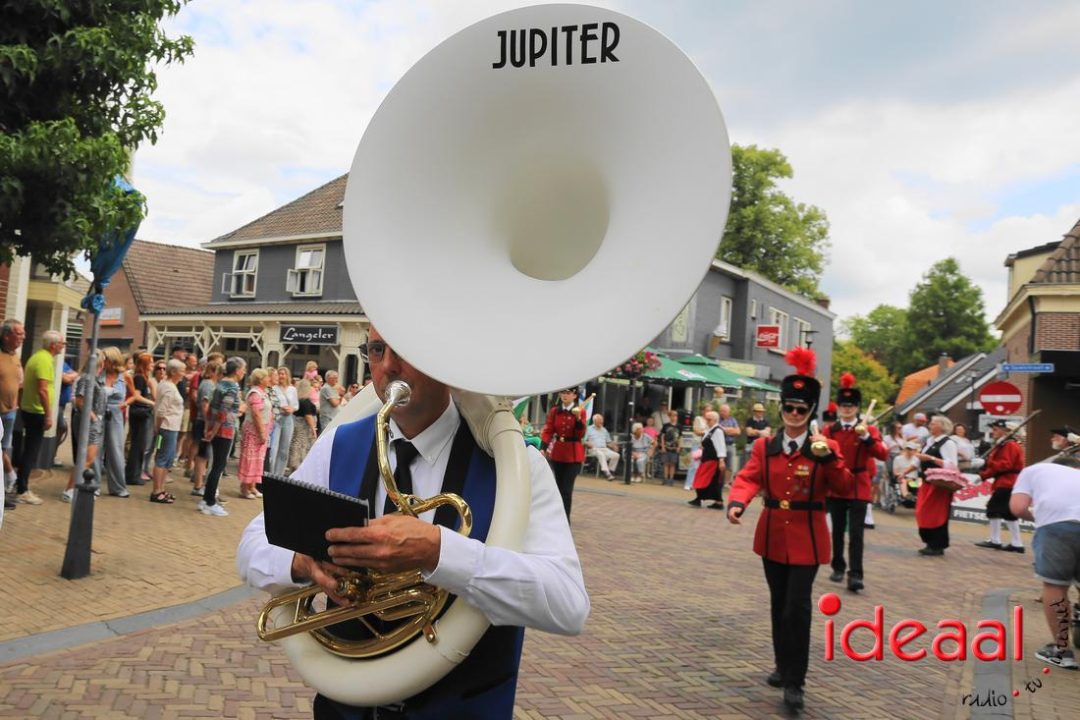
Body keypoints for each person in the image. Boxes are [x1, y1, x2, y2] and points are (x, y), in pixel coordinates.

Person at [237, 328, 589, 719]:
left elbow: (568, 603)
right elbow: (253, 543)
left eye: (405, 348)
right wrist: (302, 563)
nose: (388, 366)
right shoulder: (339, 446)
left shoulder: (515, 467)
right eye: (377, 349)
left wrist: (440, 552)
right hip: (344, 708)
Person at [727, 347, 853, 712]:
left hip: (807, 540)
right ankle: (782, 665)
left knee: (796, 608)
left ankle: (796, 681)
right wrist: (737, 502)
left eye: (801, 408)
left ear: (811, 411)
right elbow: (748, 478)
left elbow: (844, 487)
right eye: (789, 407)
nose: (794, 414)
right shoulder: (765, 446)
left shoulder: (825, 447)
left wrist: (829, 460)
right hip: (772, 537)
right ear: (781, 408)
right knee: (779, 604)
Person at [1009, 433, 1080, 669]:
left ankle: (1062, 650)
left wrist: (1038, 518)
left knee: (1055, 586)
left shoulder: (1035, 470)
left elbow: (1017, 508)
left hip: (1057, 526)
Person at [823, 373, 887, 593]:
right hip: (838, 483)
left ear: (857, 408)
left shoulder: (868, 429)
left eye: (850, 406)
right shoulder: (831, 430)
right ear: (838, 408)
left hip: (859, 483)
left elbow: (882, 454)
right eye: (843, 405)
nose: (847, 409)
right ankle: (838, 566)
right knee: (837, 530)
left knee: (857, 533)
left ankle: (856, 575)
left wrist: (866, 438)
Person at [15, 330, 66, 504]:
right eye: (62, 343)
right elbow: (43, 389)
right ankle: (22, 490)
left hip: (30, 409)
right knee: (31, 451)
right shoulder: (44, 360)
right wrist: (49, 415)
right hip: (37, 412)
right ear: (53, 345)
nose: (63, 346)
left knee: (28, 450)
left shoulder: (37, 357)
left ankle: (20, 485)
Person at [201, 356, 247, 517]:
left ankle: (206, 499)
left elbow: (212, 409)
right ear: (237, 370)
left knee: (215, 466)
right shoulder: (232, 387)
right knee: (218, 466)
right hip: (224, 430)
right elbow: (223, 412)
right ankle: (210, 503)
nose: (244, 372)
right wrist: (213, 431)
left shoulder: (220, 383)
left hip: (216, 428)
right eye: (243, 369)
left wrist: (209, 428)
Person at [974, 419, 1025, 552]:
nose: (993, 432)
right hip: (1006, 481)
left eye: (996, 429)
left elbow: (1005, 465)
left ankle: (995, 540)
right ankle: (1017, 543)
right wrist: (983, 475)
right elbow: (998, 467)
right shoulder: (1004, 445)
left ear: (1005, 431)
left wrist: (986, 463)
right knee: (1008, 512)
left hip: (1007, 482)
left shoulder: (1010, 445)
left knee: (993, 509)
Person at [914, 415, 960, 556]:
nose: (930, 426)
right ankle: (929, 542)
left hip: (939, 485)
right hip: (927, 482)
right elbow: (918, 461)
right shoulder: (929, 441)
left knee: (937, 514)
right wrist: (905, 472)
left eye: (933, 424)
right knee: (923, 512)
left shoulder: (948, 443)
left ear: (942, 426)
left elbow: (952, 465)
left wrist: (931, 458)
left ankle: (937, 545)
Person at [64, 350, 106, 502]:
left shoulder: (94, 379)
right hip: (88, 422)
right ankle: (70, 489)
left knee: (88, 458)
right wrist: (94, 418)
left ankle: (76, 488)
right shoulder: (88, 378)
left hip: (92, 422)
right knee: (86, 458)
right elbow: (80, 401)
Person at [540, 387, 586, 518]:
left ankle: (565, 520)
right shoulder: (555, 411)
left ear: (574, 396)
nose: (565, 395)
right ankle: (557, 518)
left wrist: (578, 419)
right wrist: (543, 447)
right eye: (563, 393)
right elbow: (548, 430)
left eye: (568, 393)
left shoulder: (580, 411)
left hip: (573, 455)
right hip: (558, 453)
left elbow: (581, 434)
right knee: (558, 489)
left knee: (566, 490)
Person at [149, 359, 186, 504]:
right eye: (182, 371)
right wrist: (158, 428)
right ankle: (156, 491)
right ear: (174, 372)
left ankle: (161, 489)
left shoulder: (167, 385)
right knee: (162, 459)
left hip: (170, 427)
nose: (184, 374)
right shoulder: (169, 388)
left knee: (167, 459)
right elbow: (161, 411)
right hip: (167, 428)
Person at [0, 319, 26, 510]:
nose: (23, 337)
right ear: (6, 335)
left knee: (4, 449)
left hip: (10, 412)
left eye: (23, 333)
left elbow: (19, 382)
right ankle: (10, 476)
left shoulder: (15, 355)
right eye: (19, 333)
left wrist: (16, 403)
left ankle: (3, 492)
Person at [98, 347, 130, 497]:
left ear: (113, 360)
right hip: (99, 413)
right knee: (96, 449)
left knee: (116, 450)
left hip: (115, 415)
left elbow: (134, 394)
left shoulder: (124, 376)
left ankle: (118, 487)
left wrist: (125, 403)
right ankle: (92, 485)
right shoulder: (99, 374)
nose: (103, 362)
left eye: (106, 360)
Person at [238, 368, 272, 499]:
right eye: (267, 377)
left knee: (258, 459)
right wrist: (261, 432)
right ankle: (244, 487)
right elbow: (256, 414)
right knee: (249, 458)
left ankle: (252, 486)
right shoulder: (255, 393)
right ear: (261, 380)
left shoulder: (263, 392)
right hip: (254, 430)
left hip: (263, 428)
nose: (269, 379)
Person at [124, 352, 156, 487]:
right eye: (151, 362)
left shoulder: (144, 378)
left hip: (140, 413)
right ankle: (133, 475)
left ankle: (134, 474)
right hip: (139, 414)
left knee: (139, 445)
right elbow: (136, 396)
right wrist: (152, 403)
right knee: (138, 445)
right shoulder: (139, 378)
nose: (153, 365)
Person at [190, 360, 222, 497]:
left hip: (202, 421)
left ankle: (198, 483)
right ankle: (198, 485)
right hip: (203, 422)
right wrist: (208, 424)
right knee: (203, 455)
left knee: (203, 454)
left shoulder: (206, 383)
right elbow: (205, 405)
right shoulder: (209, 385)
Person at [688, 410, 725, 509]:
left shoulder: (717, 431)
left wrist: (721, 460)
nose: (707, 421)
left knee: (709, 480)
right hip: (706, 460)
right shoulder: (709, 430)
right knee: (708, 481)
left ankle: (715, 501)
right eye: (706, 419)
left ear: (715, 420)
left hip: (712, 461)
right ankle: (703, 499)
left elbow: (721, 446)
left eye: (709, 420)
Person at [270, 367, 298, 476]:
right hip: (277, 418)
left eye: (283, 374)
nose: (281, 376)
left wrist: (291, 409)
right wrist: (281, 408)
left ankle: (279, 474)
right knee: (273, 448)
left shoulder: (292, 389)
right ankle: (271, 473)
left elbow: (296, 405)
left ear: (287, 375)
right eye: (279, 374)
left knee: (284, 449)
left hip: (288, 419)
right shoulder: (274, 388)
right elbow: (272, 403)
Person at [287, 378, 319, 473]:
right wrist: (313, 428)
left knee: (296, 443)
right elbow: (308, 416)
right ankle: (299, 465)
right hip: (304, 427)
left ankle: (294, 464)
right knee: (302, 445)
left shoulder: (298, 400)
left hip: (297, 424)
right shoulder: (305, 401)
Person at [583, 413, 619, 480]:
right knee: (601, 454)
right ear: (595, 421)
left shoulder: (604, 430)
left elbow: (608, 442)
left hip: (604, 449)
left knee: (616, 455)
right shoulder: (588, 429)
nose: (601, 422)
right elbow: (583, 440)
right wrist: (587, 443)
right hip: (593, 449)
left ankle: (610, 471)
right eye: (600, 420)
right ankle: (607, 473)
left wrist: (613, 446)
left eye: (602, 420)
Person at [717, 403, 740, 481]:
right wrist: (731, 430)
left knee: (730, 466)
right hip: (720, 446)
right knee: (719, 465)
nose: (722, 412)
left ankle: (726, 483)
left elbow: (738, 431)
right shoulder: (717, 419)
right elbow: (718, 430)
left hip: (730, 445)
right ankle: (719, 482)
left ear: (728, 412)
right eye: (721, 411)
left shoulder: (732, 420)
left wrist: (725, 430)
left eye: (724, 411)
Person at [659, 410, 681, 486]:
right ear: (670, 416)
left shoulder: (679, 426)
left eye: (676, 415)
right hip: (666, 447)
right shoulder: (666, 425)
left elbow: (680, 437)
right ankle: (665, 478)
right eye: (673, 415)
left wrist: (679, 447)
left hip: (674, 448)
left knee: (672, 464)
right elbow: (662, 436)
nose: (674, 417)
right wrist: (662, 446)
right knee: (666, 463)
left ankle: (671, 479)